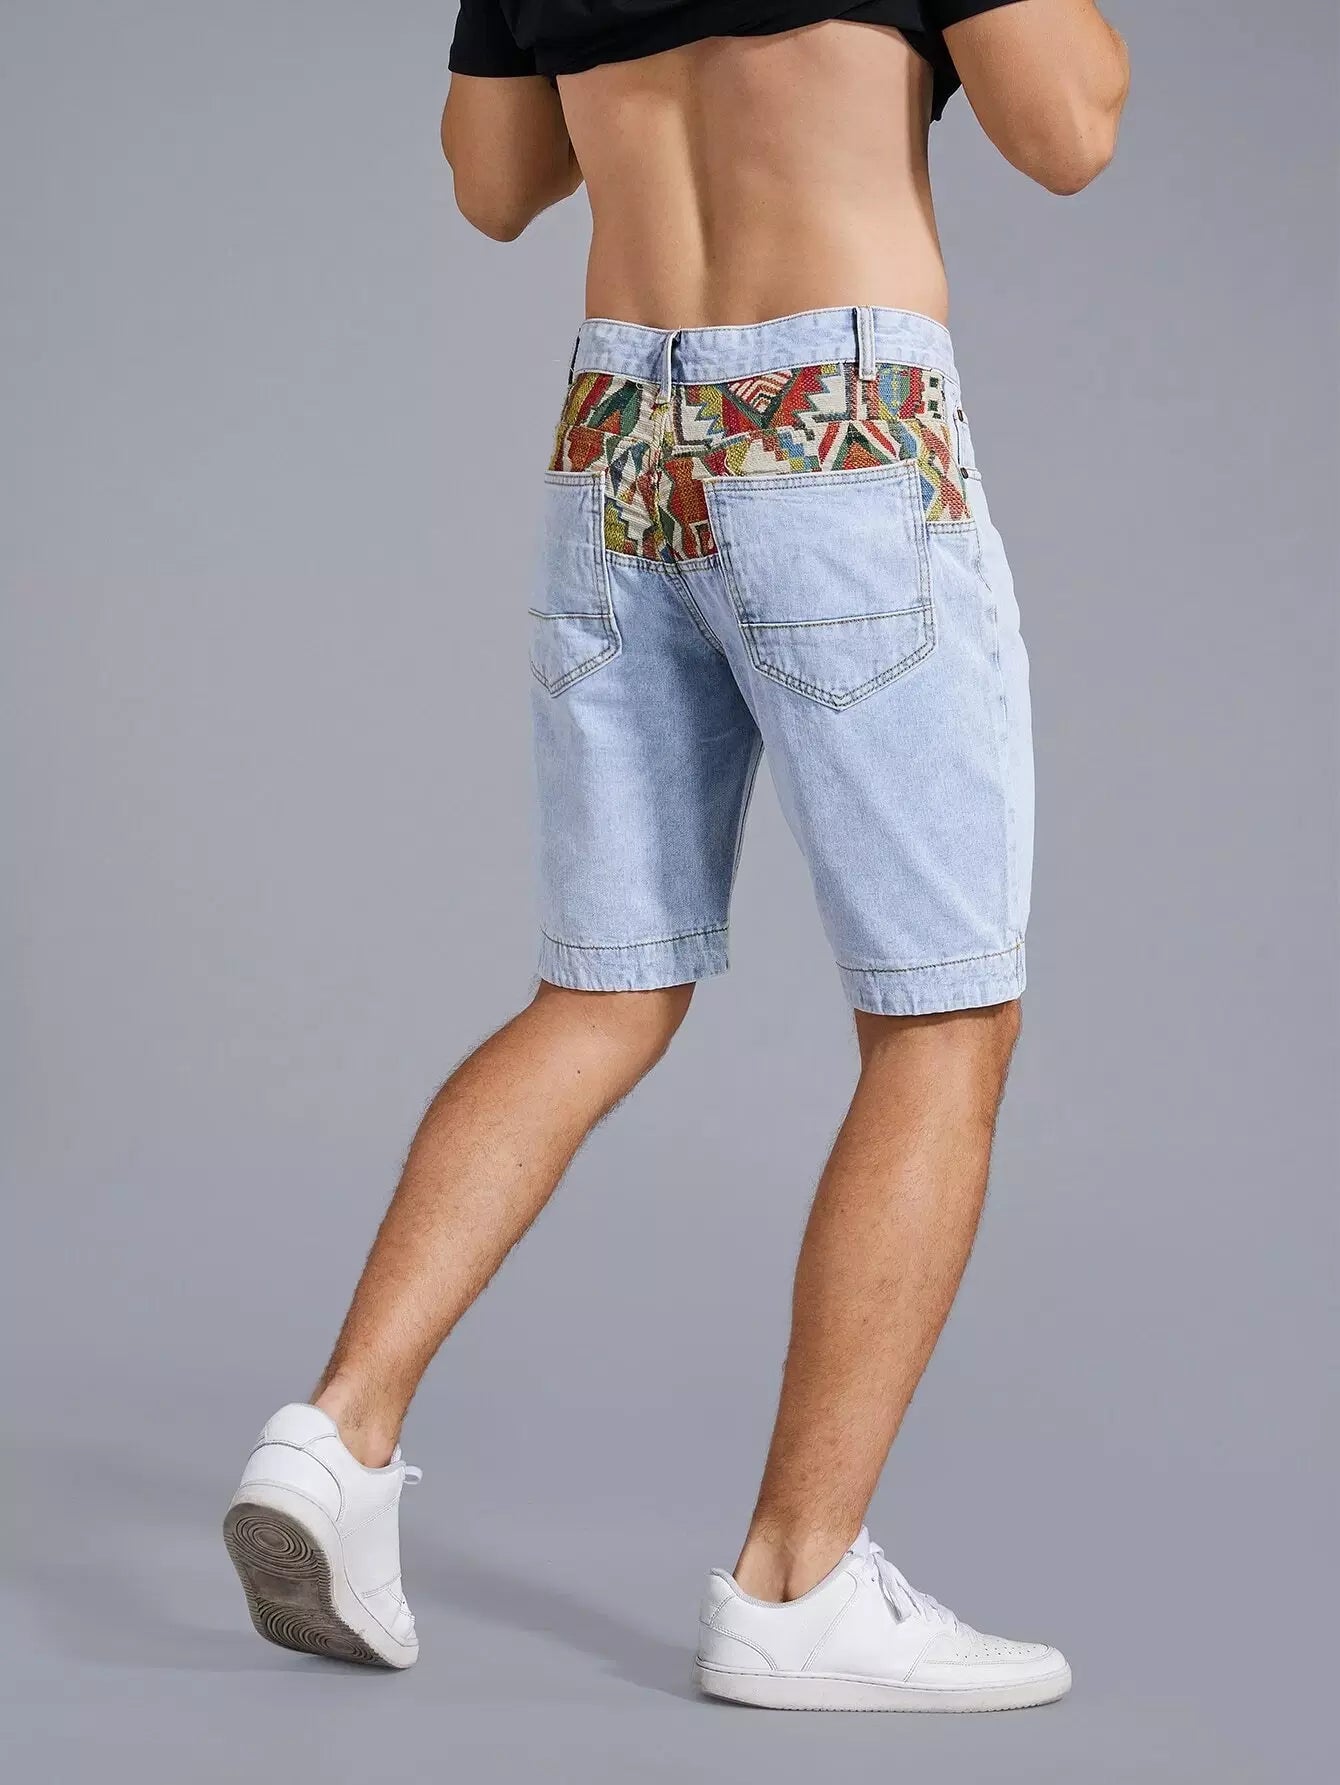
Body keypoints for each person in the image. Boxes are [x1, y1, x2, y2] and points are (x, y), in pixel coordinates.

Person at [224, 0, 1129, 1710]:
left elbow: (496, 183)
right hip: (838, 420)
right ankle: (798, 1582)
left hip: (619, 433)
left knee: (600, 991)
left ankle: (335, 1437)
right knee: (944, 1021)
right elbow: (1069, 127)